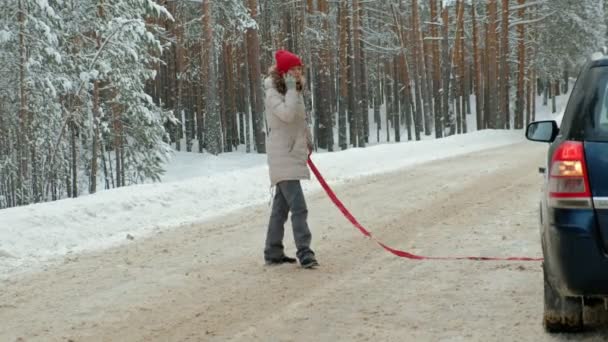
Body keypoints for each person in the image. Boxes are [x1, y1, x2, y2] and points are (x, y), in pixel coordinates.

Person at [263, 50, 318, 269]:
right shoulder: (273, 92)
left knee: (280, 208)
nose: (298, 73)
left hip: (292, 152)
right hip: (282, 155)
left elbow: (297, 121)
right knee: (299, 207)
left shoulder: (293, 90)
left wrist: (308, 139)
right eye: (294, 69)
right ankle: (305, 252)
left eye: (299, 69)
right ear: (284, 72)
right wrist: (293, 90)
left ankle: (273, 251)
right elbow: (286, 114)